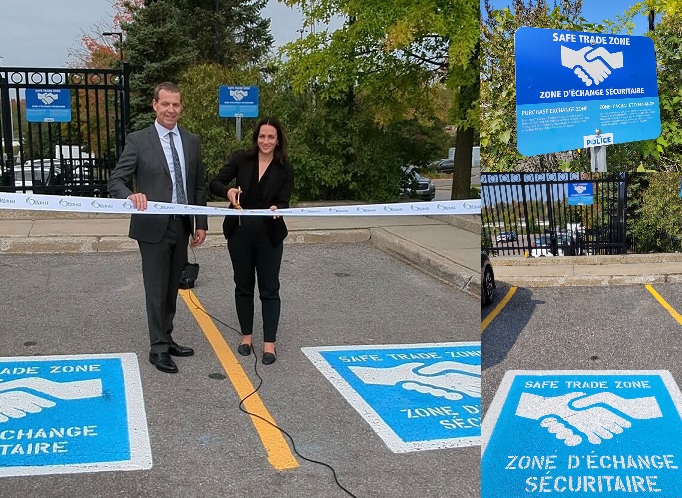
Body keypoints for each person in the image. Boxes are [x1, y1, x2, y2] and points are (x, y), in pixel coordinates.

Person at [108, 82, 208, 374]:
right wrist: (130, 195)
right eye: (165, 104)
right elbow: (116, 179)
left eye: (175, 104)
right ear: (155, 105)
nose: (170, 110)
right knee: (155, 289)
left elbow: (198, 185)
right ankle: (158, 349)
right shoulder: (139, 140)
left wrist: (200, 223)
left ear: (181, 107)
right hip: (152, 228)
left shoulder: (191, 141)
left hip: (181, 225)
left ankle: (167, 336)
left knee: (171, 288)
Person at [209, 116, 294, 365]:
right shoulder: (241, 159)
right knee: (243, 286)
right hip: (240, 234)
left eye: (271, 137)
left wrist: (279, 207)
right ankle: (246, 337)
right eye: (262, 136)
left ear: (278, 141)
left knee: (270, 288)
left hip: (270, 235)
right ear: (256, 138)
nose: (266, 141)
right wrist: (228, 191)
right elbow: (216, 182)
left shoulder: (285, 167)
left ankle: (270, 343)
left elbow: (286, 201)